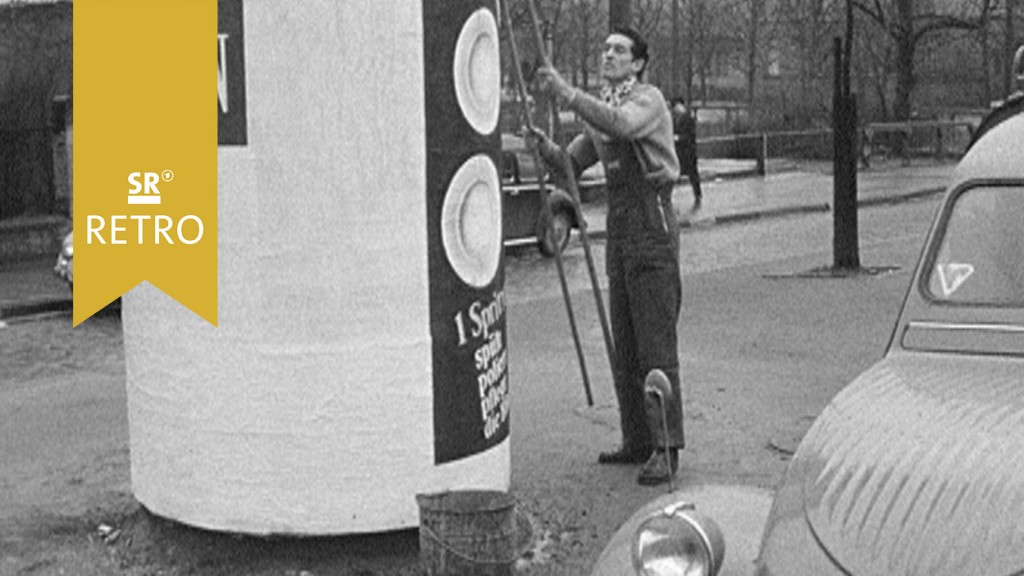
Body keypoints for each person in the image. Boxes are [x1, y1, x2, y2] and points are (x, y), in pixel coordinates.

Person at [528, 27, 685, 486]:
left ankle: (667, 446)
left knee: (656, 342)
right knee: (626, 342)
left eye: (619, 51)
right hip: (620, 227)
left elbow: (622, 126)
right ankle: (636, 439)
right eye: (605, 49)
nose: (608, 55)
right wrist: (544, 148)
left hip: (651, 221)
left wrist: (567, 93)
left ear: (638, 64)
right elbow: (570, 162)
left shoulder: (646, 101)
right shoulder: (604, 109)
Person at [670, 97, 703, 210]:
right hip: (680, 152)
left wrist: (678, 138)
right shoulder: (675, 119)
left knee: (693, 174)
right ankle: (671, 197)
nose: (675, 110)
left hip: (688, 151)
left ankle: (698, 195)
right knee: (677, 175)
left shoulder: (688, 118)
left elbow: (690, 136)